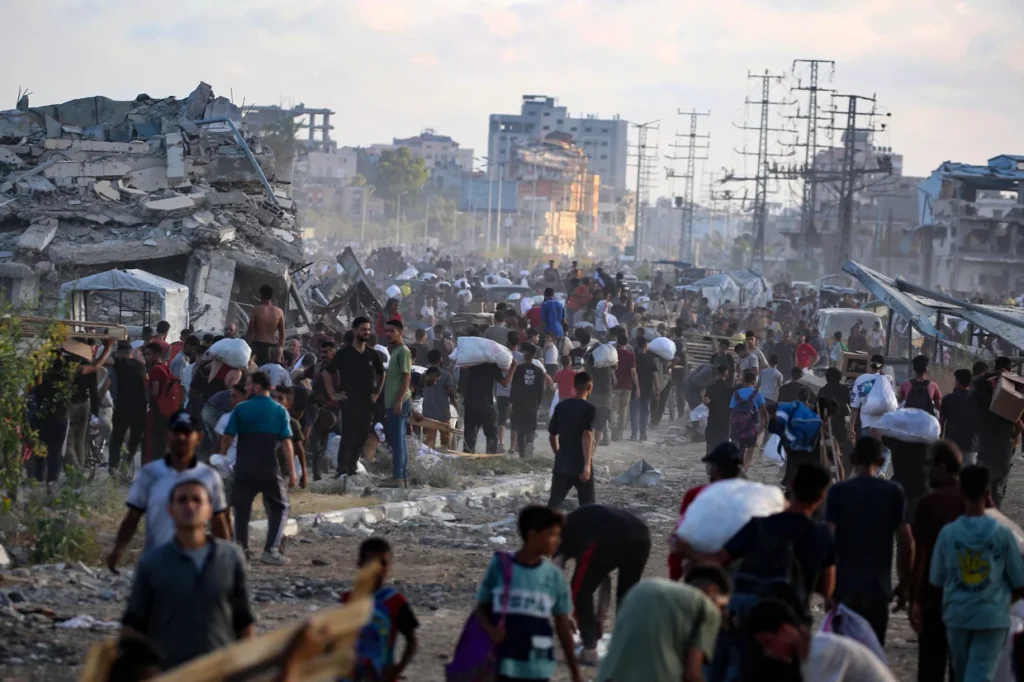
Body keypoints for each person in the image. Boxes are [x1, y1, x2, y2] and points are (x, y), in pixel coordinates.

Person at [121, 474, 255, 670]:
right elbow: (132, 626)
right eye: (182, 500)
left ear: (210, 510)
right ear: (170, 510)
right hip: (172, 671)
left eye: (197, 500)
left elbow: (243, 621)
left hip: (220, 670)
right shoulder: (153, 562)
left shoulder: (229, 557)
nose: (190, 506)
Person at [929, 465, 1024, 682]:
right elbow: (1020, 583)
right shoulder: (1003, 534)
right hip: (992, 618)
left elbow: (937, 579)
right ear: (988, 494)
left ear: (961, 492)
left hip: (958, 615)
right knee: (980, 674)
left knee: (963, 673)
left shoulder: (948, 533)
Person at [107, 411, 230, 572]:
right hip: (155, 562)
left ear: (199, 438)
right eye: (176, 432)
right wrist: (118, 550)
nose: (181, 438)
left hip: (194, 565)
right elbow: (133, 517)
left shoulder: (209, 476)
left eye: (186, 433)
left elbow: (218, 521)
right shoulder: (150, 474)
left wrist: (226, 560)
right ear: (167, 435)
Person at [474, 505, 583, 682]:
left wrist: (575, 672)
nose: (558, 541)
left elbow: (563, 625)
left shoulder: (554, 576)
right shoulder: (501, 566)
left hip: (538, 666)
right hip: (503, 662)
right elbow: (481, 608)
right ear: (533, 535)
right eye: (552, 535)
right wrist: (491, 630)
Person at [825, 437, 914, 645]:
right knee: (872, 656)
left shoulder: (839, 492)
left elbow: (827, 538)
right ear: (882, 461)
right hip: (878, 589)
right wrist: (905, 584)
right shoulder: (893, 492)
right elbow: (906, 542)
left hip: (844, 588)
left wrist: (826, 588)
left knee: (846, 658)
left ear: (852, 459)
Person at [554, 505, 651, 666]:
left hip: (611, 535)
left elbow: (556, 576)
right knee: (628, 595)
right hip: (641, 535)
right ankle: (627, 649)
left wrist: (564, 615)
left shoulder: (558, 534)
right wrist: (599, 619)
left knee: (579, 590)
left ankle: (589, 651)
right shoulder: (583, 527)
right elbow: (604, 579)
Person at [596, 568, 730, 682]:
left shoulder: (643, 588)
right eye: (722, 606)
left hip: (608, 676)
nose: (721, 612)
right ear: (712, 590)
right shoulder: (707, 607)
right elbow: (692, 674)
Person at [223, 371, 296, 565]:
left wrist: (221, 459)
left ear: (256, 386)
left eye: (247, 384)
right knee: (281, 506)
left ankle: (240, 549)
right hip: (268, 468)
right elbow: (287, 443)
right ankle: (271, 550)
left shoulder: (241, 409)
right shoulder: (279, 410)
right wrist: (293, 471)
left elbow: (227, 436)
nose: (245, 388)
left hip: (244, 467)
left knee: (241, 508)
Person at [910, 440, 966, 682]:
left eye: (928, 465)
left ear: (941, 468)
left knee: (930, 668)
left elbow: (920, 555)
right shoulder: (975, 501)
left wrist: (915, 599)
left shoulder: (929, 503)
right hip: (968, 598)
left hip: (935, 599)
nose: (925, 470)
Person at [747, 598, 897, 682]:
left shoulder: (821, 654)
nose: (768, 652)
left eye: (769, 643)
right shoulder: (812, 650)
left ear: (786, 630)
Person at [342, 538, 419, 682]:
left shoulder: (394, 602)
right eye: (370, 562)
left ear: (389, 566)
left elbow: (412, 641)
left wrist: (397, 670)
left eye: (383, 563)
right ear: (359, 564)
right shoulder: (347, 601)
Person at [668, 443, 744, 580]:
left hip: (704, 567)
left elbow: (681, 536)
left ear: (715, 470)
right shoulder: (752, 497)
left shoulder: (697, 494)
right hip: (743, 568)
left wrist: (674, 577)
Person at [327, 317, 385, 479]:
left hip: (366, 402)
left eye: (368, 329)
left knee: (362, 435)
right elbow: (327, 373)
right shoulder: (344, 354)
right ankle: (342, 469)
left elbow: (382, 374)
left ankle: (352, 464)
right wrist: (333, 394)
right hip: (349, 401)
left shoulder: (372, 354)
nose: (366, 332)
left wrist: (377, 393)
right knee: (349, 435)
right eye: (363, 329)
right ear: (354, 331)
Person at [971, 356, 1019, 508]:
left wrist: (992, 374)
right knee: (997, 495)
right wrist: (1012, 437)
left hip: (986, 453)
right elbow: (1020, 425)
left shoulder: (983, 395)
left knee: (981, 493)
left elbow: (975, 383)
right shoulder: (1010, 399)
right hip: (1003, 453)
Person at [548, 371, 597, 508]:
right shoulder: (589, 409)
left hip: (562, 464)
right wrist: (587, 465)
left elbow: (552, 436)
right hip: (581, 465)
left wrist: (558, 453)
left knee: (554, 503)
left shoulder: (561, 406)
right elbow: (587, 436)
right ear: (590, 387)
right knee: (588, 507)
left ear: (574, 387)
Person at [461, 343, 517, 455]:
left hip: (470, 404)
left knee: (469, 435)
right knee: (491, 435)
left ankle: (467, 459)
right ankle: (490, 460)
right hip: (486, 404)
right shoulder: (492, 366)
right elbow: (505, 383)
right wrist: (513, 368)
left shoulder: (469, 364)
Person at [381, 319, 413, 488]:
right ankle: (402, 476)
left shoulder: (403, 351)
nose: (388, 334)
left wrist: (399, 401)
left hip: (398, 402)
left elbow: (407, 376)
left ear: (400, 332)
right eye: (386, 331)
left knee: (397, 441)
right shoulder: (395, 352)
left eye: (391, 331)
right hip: (394, 402)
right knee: (399, 440)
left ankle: (398, 477)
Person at [109, 340, 148, 472]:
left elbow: (109, 360)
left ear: (120, 353)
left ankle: (113, 465)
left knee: (117, 437)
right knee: (134, 439)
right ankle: (127, 462)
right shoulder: (141, 366)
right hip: (139, 407)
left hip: (122, 406)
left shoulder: (118, 363)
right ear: (131, 352)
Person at [509, 343, 546, 459]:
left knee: (520, 429)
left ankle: (522, 454)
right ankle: (530, 442)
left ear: (525, 355)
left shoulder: (519, 369)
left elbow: (514, 387)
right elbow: (541, 389)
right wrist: (538, 402)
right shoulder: (539, 371)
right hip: (533, 403)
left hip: (519, 403)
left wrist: (511, 402)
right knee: (531, 428)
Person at [730, 369, 767, 469]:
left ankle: (738, 466)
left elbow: (732, 410)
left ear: (743, 381)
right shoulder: (757, 394)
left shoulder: (736, 394)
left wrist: (732, 426)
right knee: (751, 449)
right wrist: (764, 424)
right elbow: (764, 410)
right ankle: (745, 468)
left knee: (741, 446)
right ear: (754, 382)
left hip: (738, 426)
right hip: (752, 426)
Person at [142, 342, 173, 465]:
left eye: (149, 354)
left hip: (156, 410)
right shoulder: (165, 367)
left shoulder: (155, 369)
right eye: (145, 354)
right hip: (166, 410)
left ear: (157, 354)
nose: (146, 357)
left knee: (152, 442)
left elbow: (155, 392)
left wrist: (145, 385)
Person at [940, 369, 978, 467]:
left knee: (951, 475)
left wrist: (940, 441)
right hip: (971, 445)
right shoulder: (977, 400)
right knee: (969, 477)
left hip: (951, 446)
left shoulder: (947, 399)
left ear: (957, 381)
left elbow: (941, 422)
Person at [273, 386, 308, 490]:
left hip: (283, 469)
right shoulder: (263, 420)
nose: (276, 401)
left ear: (289, 404)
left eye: (280, 398)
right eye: (273, 397)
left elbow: (300, 450)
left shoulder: (292, 423)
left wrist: (304, 473)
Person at [818, 367, 853, 470]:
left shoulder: (823, 390)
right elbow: (849, 404)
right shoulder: (844, 389)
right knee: (841, 443)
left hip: (827, 422)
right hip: (841, 422)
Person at [422, 350, 456, 450]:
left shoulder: (425, 374)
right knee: (445, 443)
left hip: (428, 413)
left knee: (429, 442)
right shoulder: (446, 375)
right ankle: (445, 460)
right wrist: (454, 401)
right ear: (440, 360)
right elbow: (450, 390)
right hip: (443, 413)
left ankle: (429, 461)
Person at [247, 284, 285, 367]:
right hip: (272, 347)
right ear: (272, 297)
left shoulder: (256, 310)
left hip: (257, 345)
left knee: (254, 371)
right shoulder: (279, 312)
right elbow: (282, 334)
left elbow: (250, 331)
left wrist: (249, 346)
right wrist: (280, 350)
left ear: (261, 295)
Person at [631, 336, 658, 442]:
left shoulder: (634, 358)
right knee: (645, 411)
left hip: (635, 388)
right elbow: (654, 375)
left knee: (634, 411)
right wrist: (657, 388)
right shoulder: (650, 359)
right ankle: (643, 434)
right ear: (645, 346)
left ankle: (634, 435)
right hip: (647, 388)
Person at [612, 332, 637, 441]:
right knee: (623, 410)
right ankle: (620, 432)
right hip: (627, 386)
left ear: (617, 342)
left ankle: (613, 427)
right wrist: (638, 386)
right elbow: (633, 372)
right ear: (627, 343)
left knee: (613, 408)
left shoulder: (614, 353)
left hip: (615, 385)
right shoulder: (631, 355)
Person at [703, 364, 733, 455]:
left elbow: (705, 400)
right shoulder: (730, 389)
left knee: (711, 442)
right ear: (726, 374)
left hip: (713, 418)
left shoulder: (711, 387)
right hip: (725, 420)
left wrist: (711, 407)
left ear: (717, 373)